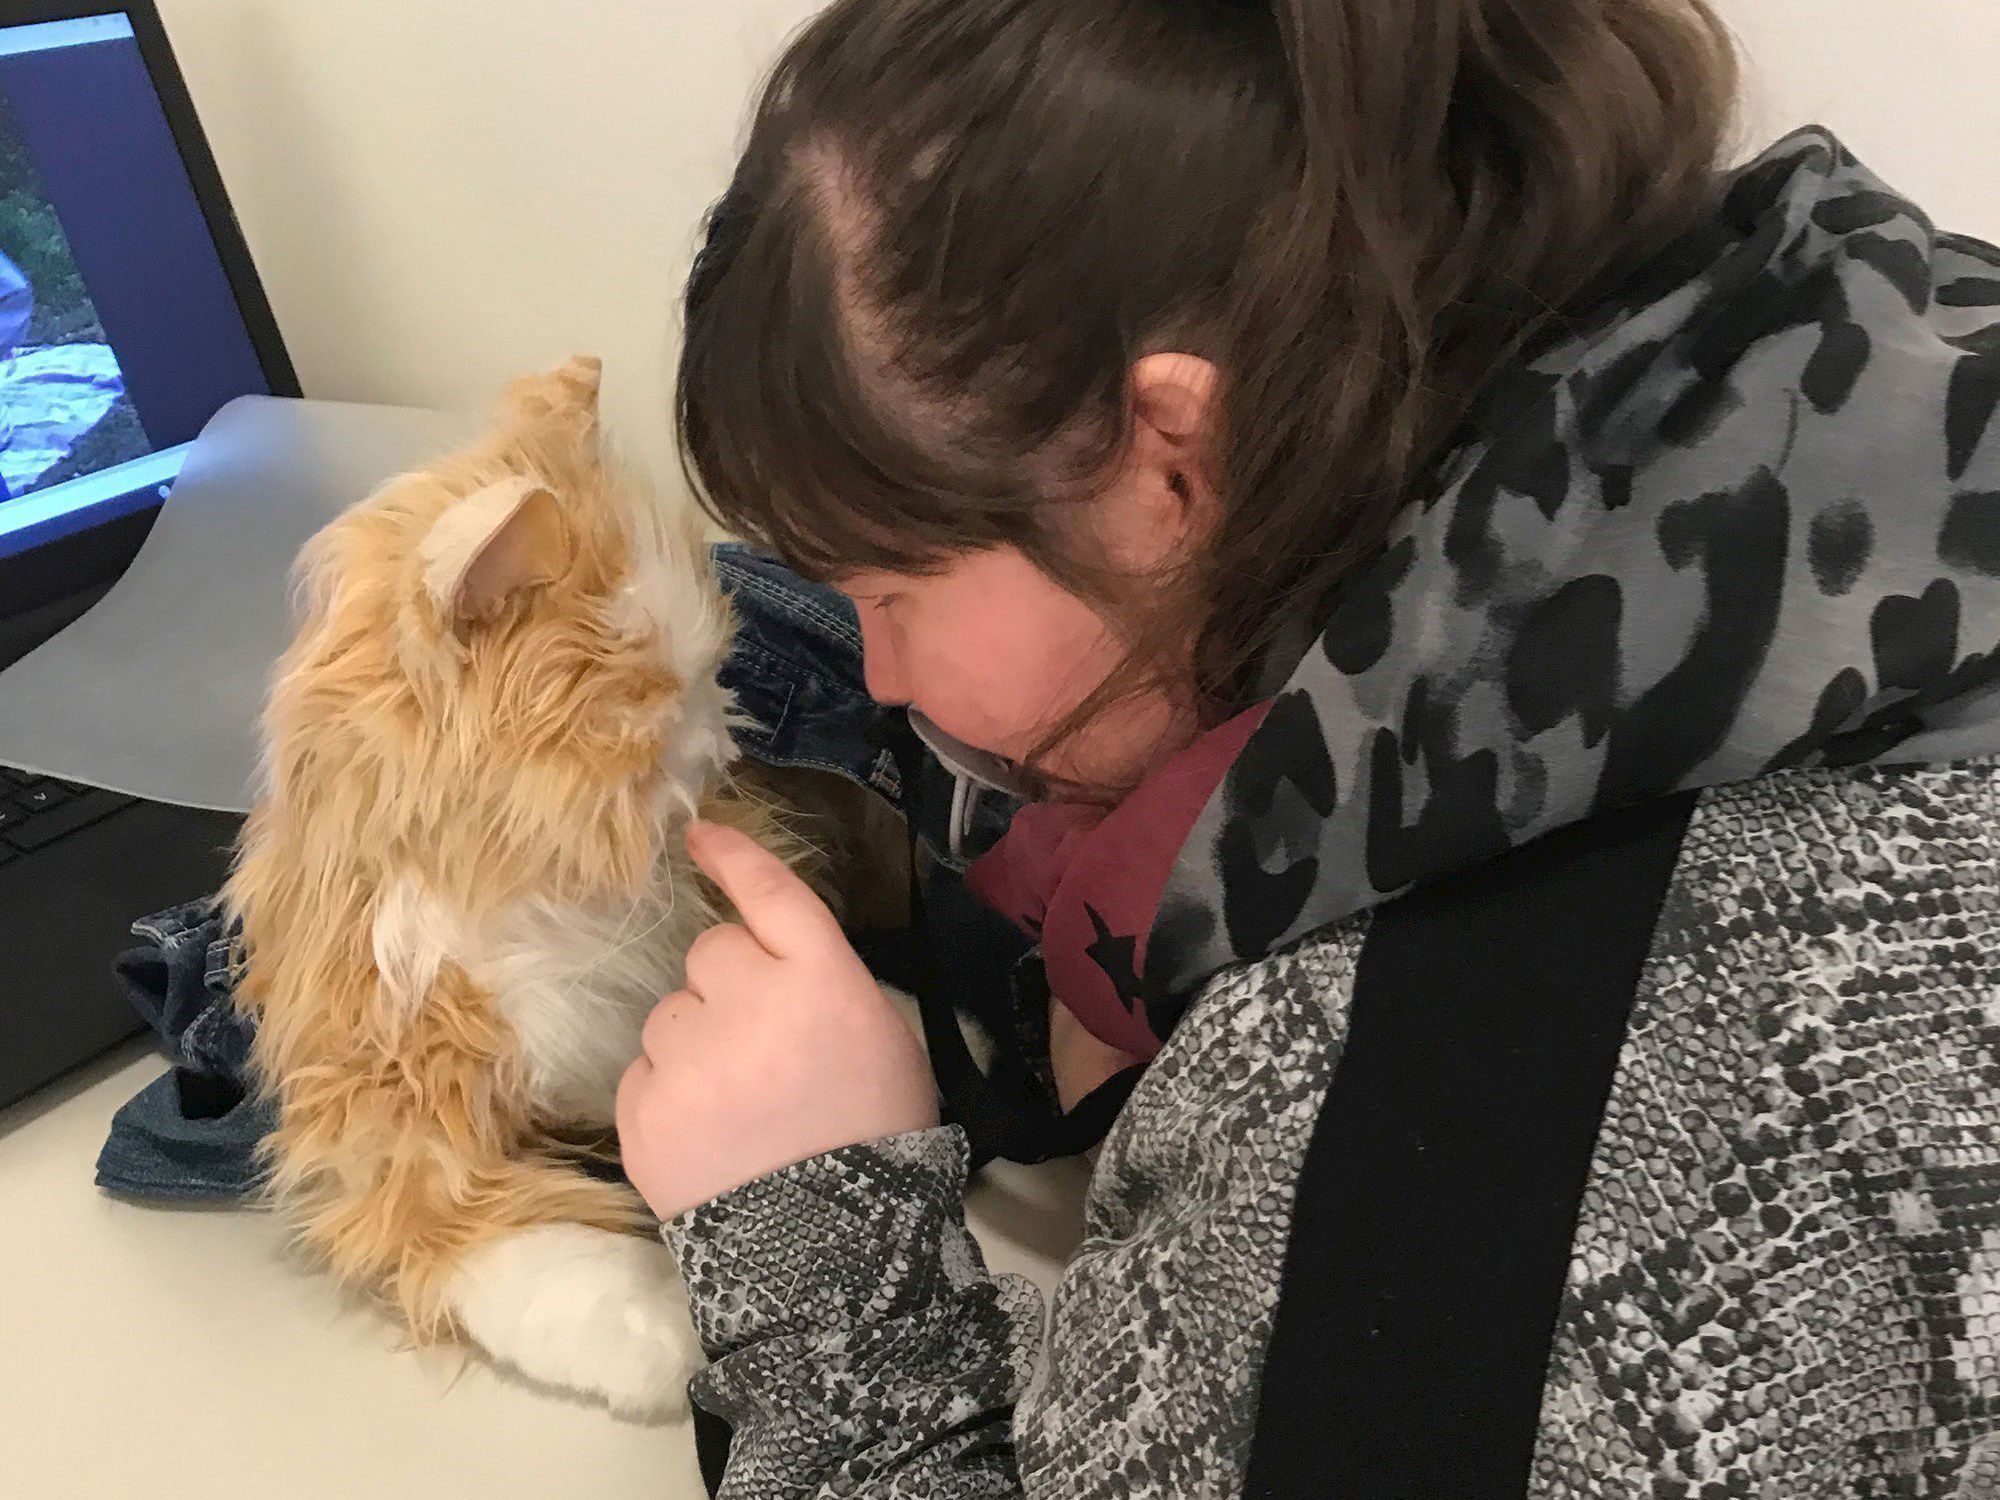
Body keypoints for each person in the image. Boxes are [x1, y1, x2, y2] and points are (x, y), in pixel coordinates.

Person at [615, 0, 2000, 1492]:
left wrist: (816, 1249)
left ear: (1168, 462)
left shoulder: (1416, 1169)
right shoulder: (1878, 330)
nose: (886, 673)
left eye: (890, 593)